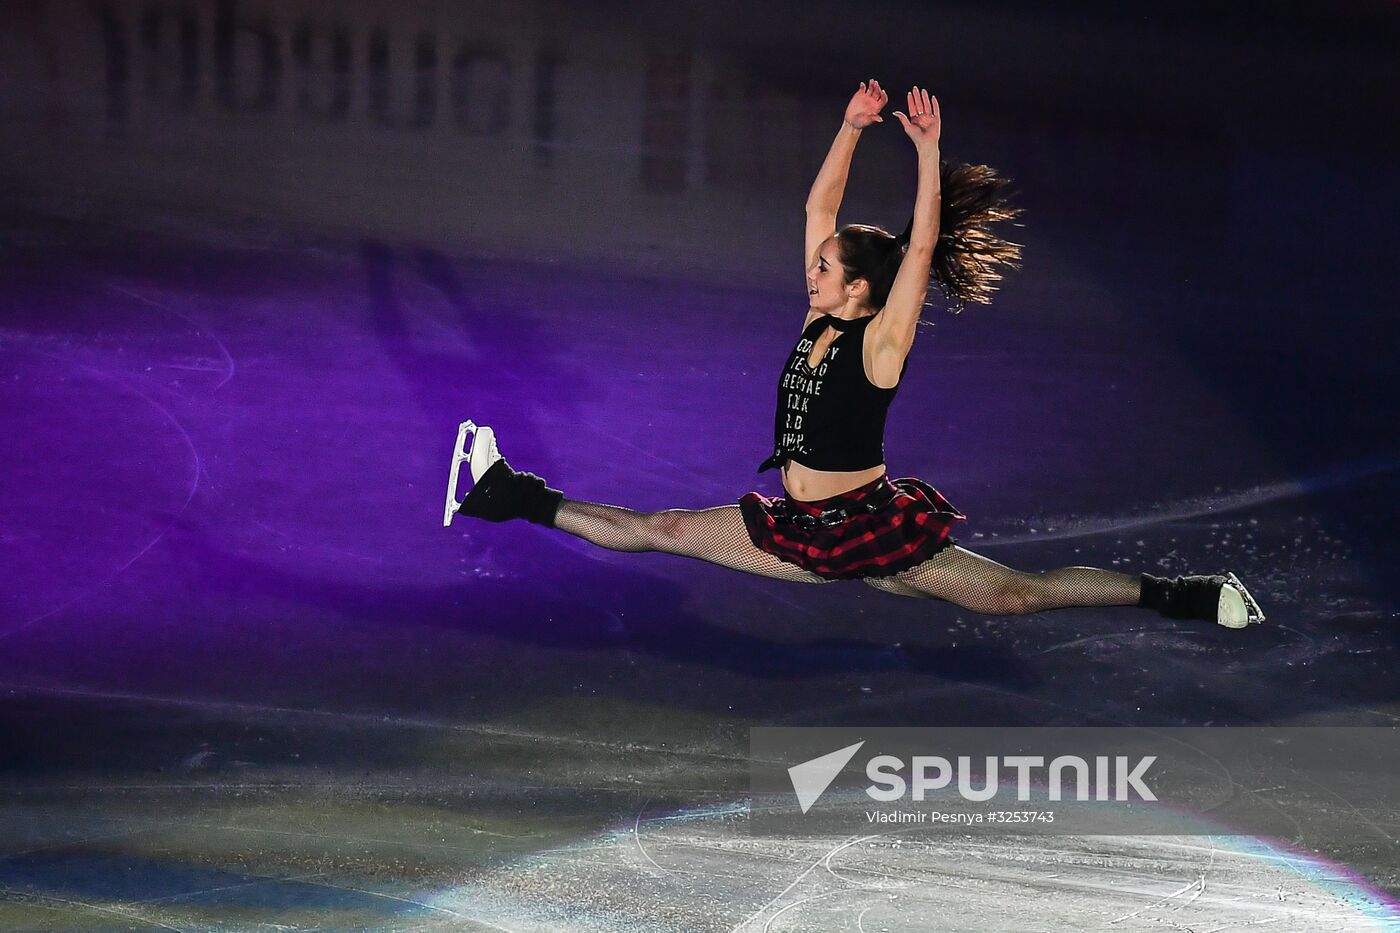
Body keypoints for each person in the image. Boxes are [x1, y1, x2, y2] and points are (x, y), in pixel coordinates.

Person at [444, 80, 1264, 629]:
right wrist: (850, 126)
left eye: (828, 267)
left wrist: (926, 151)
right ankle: (505, 492)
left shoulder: (882, 342)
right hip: (802, 529)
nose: (813, 269)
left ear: (862, 290)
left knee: (1016, 595)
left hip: (873, 530)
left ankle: (1183, 594)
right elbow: (818, 203)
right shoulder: (816, 316)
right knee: (665, 526)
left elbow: (921, 249)